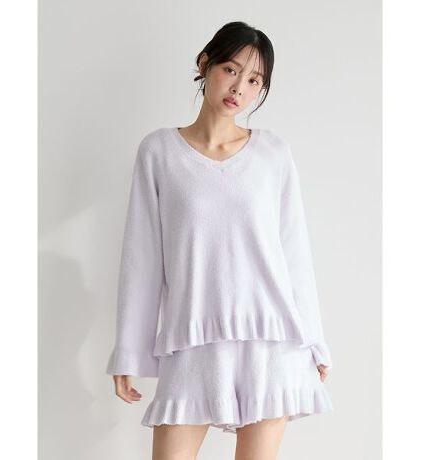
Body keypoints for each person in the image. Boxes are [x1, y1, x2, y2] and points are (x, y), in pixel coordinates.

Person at [106, 21, 334, 460]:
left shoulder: (273, 154)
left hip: (271, 345)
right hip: (193, 339)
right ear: (204, 63)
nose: (239, 89)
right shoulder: (159, 152)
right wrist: (129, 351)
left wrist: (314, 339)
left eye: (254, 81)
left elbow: (294, 254)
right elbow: (142, 260)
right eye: (231, 70)